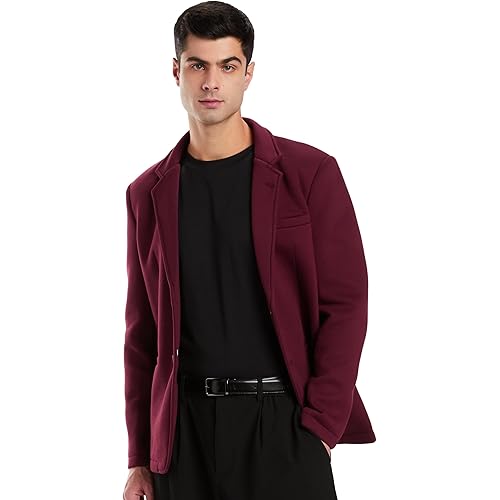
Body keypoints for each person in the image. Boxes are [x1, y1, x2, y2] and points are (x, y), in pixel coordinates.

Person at [122, 2, 376, 499]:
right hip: (184, 435)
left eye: (227, 66)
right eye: (198, 65)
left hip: (283, 422)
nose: (211, 82)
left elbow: (346, 304)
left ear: (248, 74)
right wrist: (139, 456)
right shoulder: (147, 193)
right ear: (176, 71)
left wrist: (322, 425)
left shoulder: (310, 174)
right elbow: (141, 336)